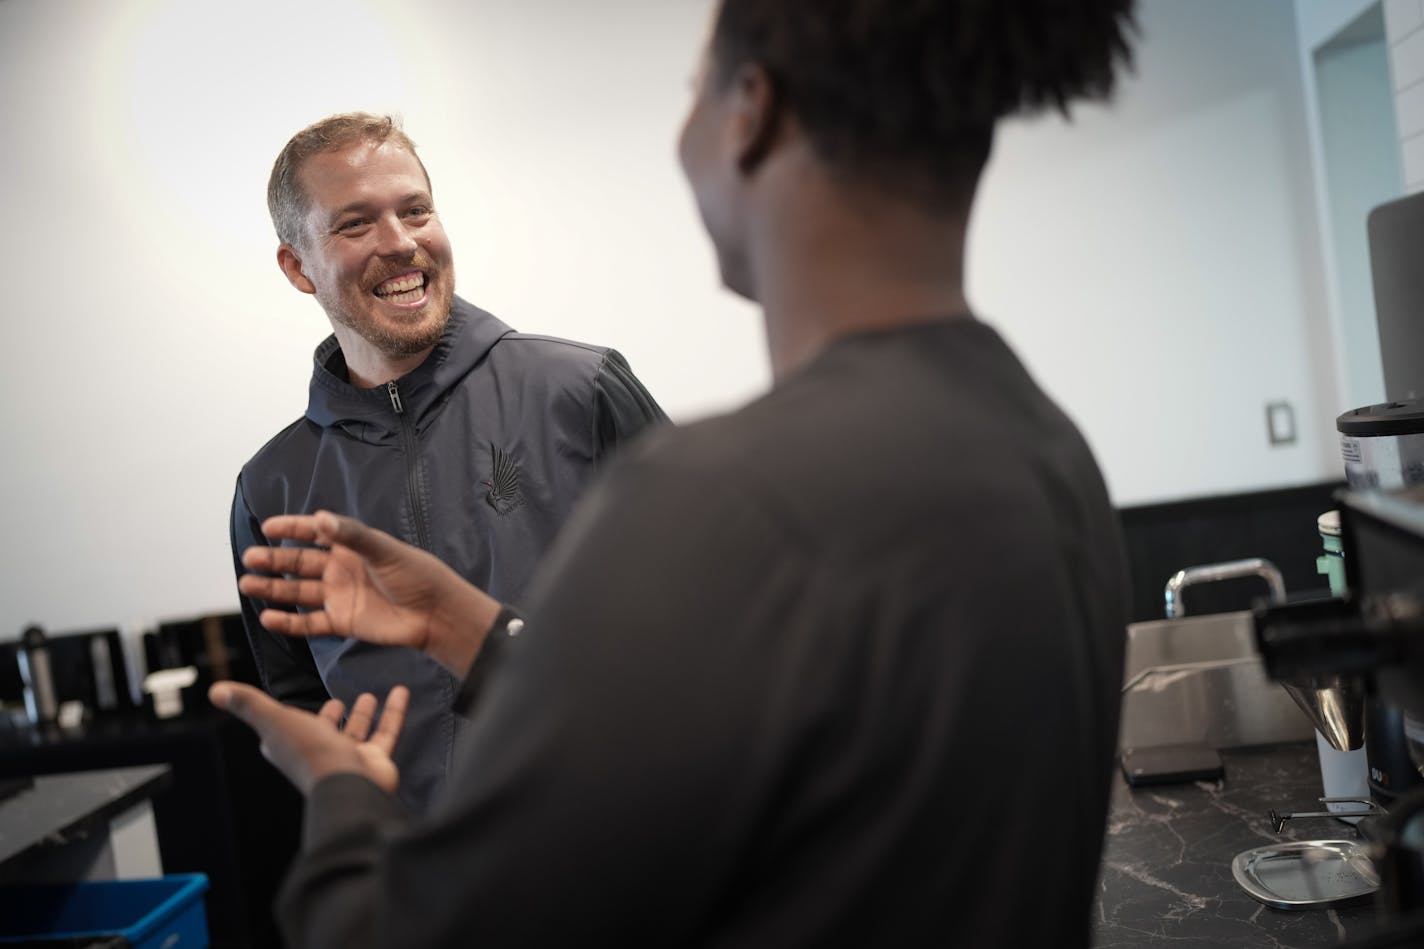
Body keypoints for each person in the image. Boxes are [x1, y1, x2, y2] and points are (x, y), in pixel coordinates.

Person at [216, 1, 1136, 945]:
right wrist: (467, 625)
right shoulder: (1038, 444)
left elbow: (390, 925)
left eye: (693, 92)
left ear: (752, 113)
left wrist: (339, 794)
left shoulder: (721, 497)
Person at [232, 112, 666, 813]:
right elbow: (310, 712)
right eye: (355, 224)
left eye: (415, 210)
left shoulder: (580, 391)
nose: (401, 243)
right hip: (431, 888)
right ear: (297, 266)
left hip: (619, 847)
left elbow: (711, 620)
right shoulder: (271, 489)